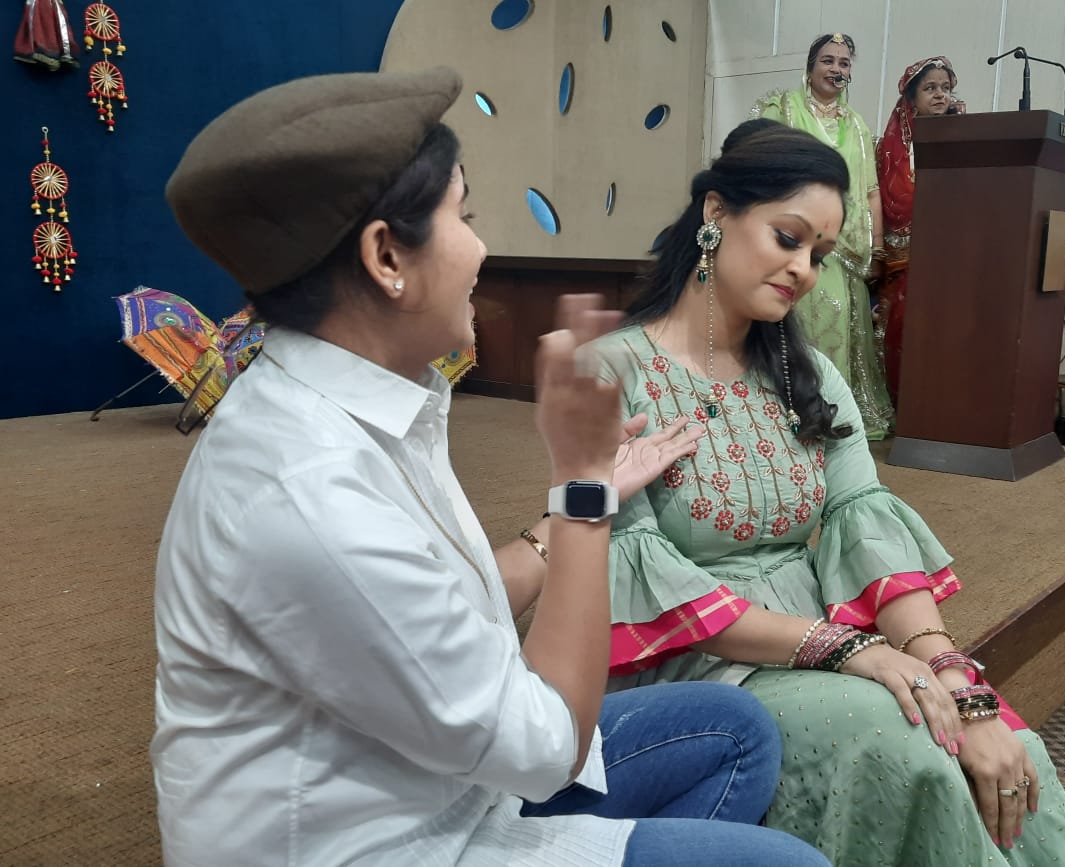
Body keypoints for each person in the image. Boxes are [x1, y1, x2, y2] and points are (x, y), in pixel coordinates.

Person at [152, 67, 832, 867]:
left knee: (734, 731)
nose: (482, 246)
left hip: (440, 779)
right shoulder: (308, 494)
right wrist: (581, 496)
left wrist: (580, 500)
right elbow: (548, 743)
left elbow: (442, 603)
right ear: (386, 257)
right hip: (386, 840)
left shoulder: (361, 398)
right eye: (464, 215)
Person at [592, 118, 1065, 866]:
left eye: (820, 254)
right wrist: (845, 648)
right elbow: (644, 580)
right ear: (715, 214)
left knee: (999, 739)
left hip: (826, 635)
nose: (804, 268)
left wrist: (954, 674)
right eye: (787, 237)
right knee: (918, 752)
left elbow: (864, 527)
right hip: (700, 658)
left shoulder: (810, 377)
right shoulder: (611, 371)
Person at [750, 33, 894, 441]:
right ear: (810, 66)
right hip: (791, 238)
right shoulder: (784, 110)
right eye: (828, 60)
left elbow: (869, 191)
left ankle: (827, 408)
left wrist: (877, 245)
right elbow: (760, 164)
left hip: (842, 246)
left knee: (834, 325)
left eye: (844, 63)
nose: (836, 69)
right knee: (792, 320)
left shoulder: (856, 125)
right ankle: (783, 406)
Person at [875, 56, 965, 405]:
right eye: (930, 88)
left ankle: (941, 406)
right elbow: (893, 201)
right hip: (904, 262)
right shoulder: (892, 149)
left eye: (945, 88)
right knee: (902, 332)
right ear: (911, 98)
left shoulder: (965, 140)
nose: (940, 95)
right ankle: (905, 408)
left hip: (950, 260)